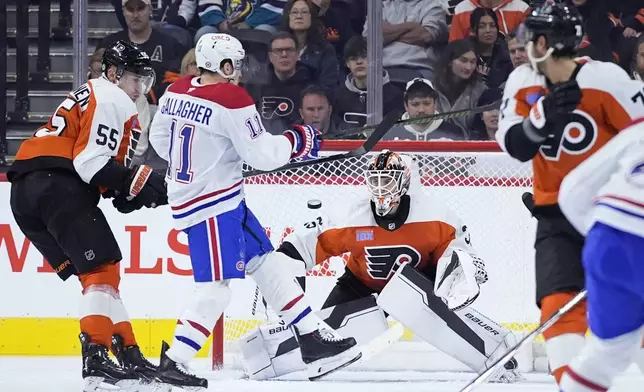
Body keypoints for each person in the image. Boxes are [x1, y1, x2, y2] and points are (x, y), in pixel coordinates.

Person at [147, 33, 360, 389]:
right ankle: (175, 360)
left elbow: (159, 139)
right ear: (225, 65)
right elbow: (263, 155)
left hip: (218, 197)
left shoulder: (178, 89)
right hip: (211, 204)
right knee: (216, 289)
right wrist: (299, 139)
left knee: (266, 262)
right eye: (237, 63)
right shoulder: (231, 97)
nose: (241, 70)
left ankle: (310, 339)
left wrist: (213, 158)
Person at [237, 150, 523, 382]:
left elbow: (458, 254)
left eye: (387, 180)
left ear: (404, 183)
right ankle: (264, 357)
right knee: (324, 339)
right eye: (376, 180)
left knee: (413, 294)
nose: (380, 187)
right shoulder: (352, 216)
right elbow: (299, 249)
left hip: (417, 287)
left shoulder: (435, 217)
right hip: (360, 284)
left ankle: (494, 353)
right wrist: (279, 275)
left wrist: (462, 272)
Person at [496, 2, 644, 385]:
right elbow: (515, 146)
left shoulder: (605, 78)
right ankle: (573, 385)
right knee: (557, 306)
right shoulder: (521, 82)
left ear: (544, 41)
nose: (524, 43)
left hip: (613, 213)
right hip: (554, 215)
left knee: (633, 307)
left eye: (531, 36)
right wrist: (540, 119)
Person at [7, 41, 166, 390]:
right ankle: (96, 361)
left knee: (100, 274)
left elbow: (105, 178)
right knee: (101, 269)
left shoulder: (95, 93)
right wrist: (142, 180)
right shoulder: (112, 97)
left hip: (26, 193)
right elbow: (90, 163)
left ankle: (128, 353)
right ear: (113, 73)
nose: (139, 87)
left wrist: (131, 191)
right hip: (56, 185)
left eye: (144, 79)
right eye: (134, 79)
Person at [557, 118, 644, 391]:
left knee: (607, 353)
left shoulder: (639, 128)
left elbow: (571, 191)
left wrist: (606, 242)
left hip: (607, 238)